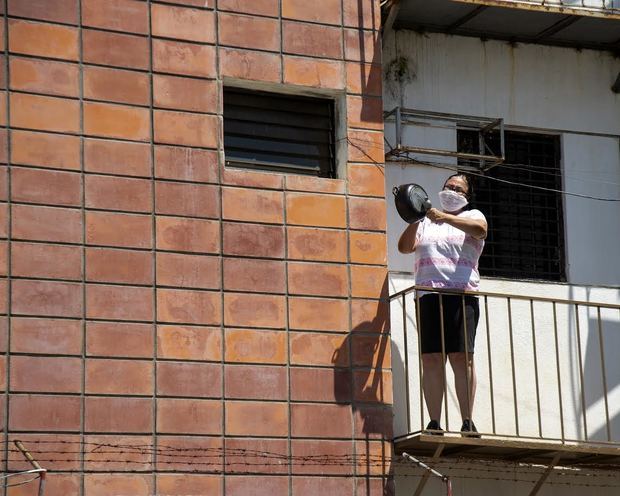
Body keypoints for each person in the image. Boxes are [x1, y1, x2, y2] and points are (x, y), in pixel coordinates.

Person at [397, 173, 487, 436]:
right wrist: (416, 218)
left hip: (461, 295)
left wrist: (445, 217)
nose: (451, 191)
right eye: (448, 186)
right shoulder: (426, 222)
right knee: (432, 359)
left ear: (467, 196)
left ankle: (467, 421)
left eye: (458, 188)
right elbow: (404, 247)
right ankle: (434, 422)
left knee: (462, 359)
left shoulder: (473, 215)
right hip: (428, 295)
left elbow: (481, 231)